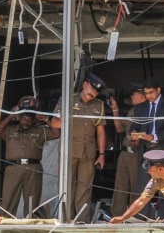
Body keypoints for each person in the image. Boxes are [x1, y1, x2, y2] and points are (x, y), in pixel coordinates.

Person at [49, 73, 107, 223]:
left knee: (84, 188)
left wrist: (101, 154)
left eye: (96, 92)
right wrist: (63, 117)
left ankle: (82, 221)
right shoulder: (68, 100)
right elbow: (54, 124)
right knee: (66, 186)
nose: (93, 93)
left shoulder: (98, 105)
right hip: (69, 151)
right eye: (91, 89)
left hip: (88, 153)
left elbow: (100, 131)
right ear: (84, 85)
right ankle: (65, 219)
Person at [0, 96, 58, 218]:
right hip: (13, 169)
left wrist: (45, 120)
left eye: (29, 119)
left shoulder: (40, 130)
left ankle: (31, 229)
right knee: (8, 203)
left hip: (33, 169)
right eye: (23, 118)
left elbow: (56, 134)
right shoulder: (10, 130)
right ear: (19, 117)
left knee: (32, 206)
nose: (26, 122)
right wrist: (11, 115)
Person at [129, 78, 164, 220]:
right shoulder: (141, 108)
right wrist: (134, 134)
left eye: (151, 92)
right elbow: (135, 125)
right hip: (145, 152)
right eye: (146, 93)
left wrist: (154, 136)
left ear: (158, 90)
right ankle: (140, 219)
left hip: (162, 150)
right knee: (143, 188)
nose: (149, 96)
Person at [110, 83, 145, 216]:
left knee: (135, 187)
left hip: (136, 154)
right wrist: (115, 110)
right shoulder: (132, 111)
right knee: (120, 185)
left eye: (134, 94)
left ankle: (134, 216)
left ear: (142, 95)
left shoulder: (147, 111)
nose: (131, 96)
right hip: (125, 152)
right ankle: (117, 215)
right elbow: (120, 128)